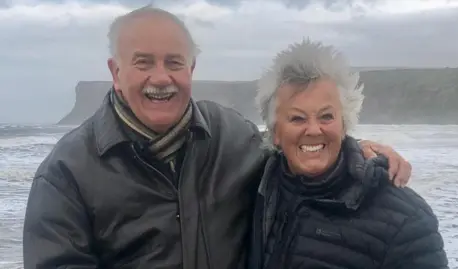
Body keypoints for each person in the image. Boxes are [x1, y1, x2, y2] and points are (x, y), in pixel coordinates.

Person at [22, 6, 412, 269]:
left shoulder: (232, 137)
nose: (161, 78)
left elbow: (298, 146)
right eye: (144, 62)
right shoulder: (66, 174)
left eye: (174, 62)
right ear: (115, 71)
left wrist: (355, 152)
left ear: (190, 68)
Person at [249, 39, 449, 269]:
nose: (314, 130)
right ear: (275, 132)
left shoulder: (407, 219)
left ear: (344, 124)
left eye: (326, 116)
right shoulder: (255, 186)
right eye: (297, 118)